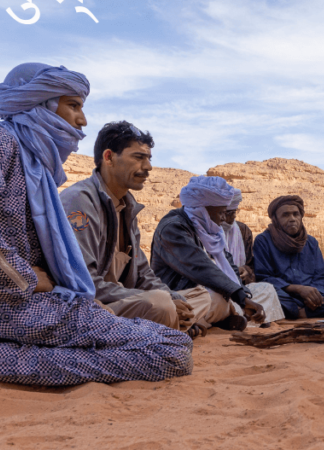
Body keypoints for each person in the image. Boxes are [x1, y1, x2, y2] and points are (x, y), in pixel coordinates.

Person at [0, 63, 192, 388]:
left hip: (35, 301)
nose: (82, 120)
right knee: (171, 351)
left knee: (165, 335)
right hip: (8, 304)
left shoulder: (38, 164)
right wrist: (22, 277)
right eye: (73, 105)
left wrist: (70, 295)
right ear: (39, 102)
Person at [61, 121, 194, 330]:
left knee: (197, 298)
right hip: (91, 307)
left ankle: (178, 320)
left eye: (149, 159)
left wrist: (177, 300)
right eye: (138, 158)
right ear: (109, 157)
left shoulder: (127, 206)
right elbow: (83, 283)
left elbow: (143, 273)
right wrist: (163, 300)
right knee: (160, 304)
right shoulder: (80, 200)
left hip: (125, 300)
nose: (148, 167)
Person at [151, 176, 266, 336]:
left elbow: (228, 264)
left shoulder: (211, 229)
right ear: (202, 208)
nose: (224, 218)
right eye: (220, 212)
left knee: (222, 299)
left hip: (203, 292)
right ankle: (191, 323)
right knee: (205, 298)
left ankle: (201, 322)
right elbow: (200, 267)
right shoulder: (173, 228)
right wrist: (240, 297)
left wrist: (242, 294)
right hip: (178, 293)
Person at [252, 195, 324, 319]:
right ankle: (301, 311)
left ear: (301, 216)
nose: (292, 219)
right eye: (285, 215)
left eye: (296, 214)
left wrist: (312, 296)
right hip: (284, 294)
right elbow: (264, 277)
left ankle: (299, 312)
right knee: (266, 293)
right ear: (275, 219)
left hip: (309, 296)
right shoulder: (263, 240)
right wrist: (298, 289)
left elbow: (321, 277)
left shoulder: (311, 242)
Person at [223, 190, 285, 323]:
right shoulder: (200, 230)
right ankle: (237, 318)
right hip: (213, 289)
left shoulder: (242, 230)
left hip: (239, 287)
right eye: (227, 213)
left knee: (267, 288)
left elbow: (251, 265)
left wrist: (245, 270)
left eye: (234, 212)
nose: (231, 217)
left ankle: (239, 318)